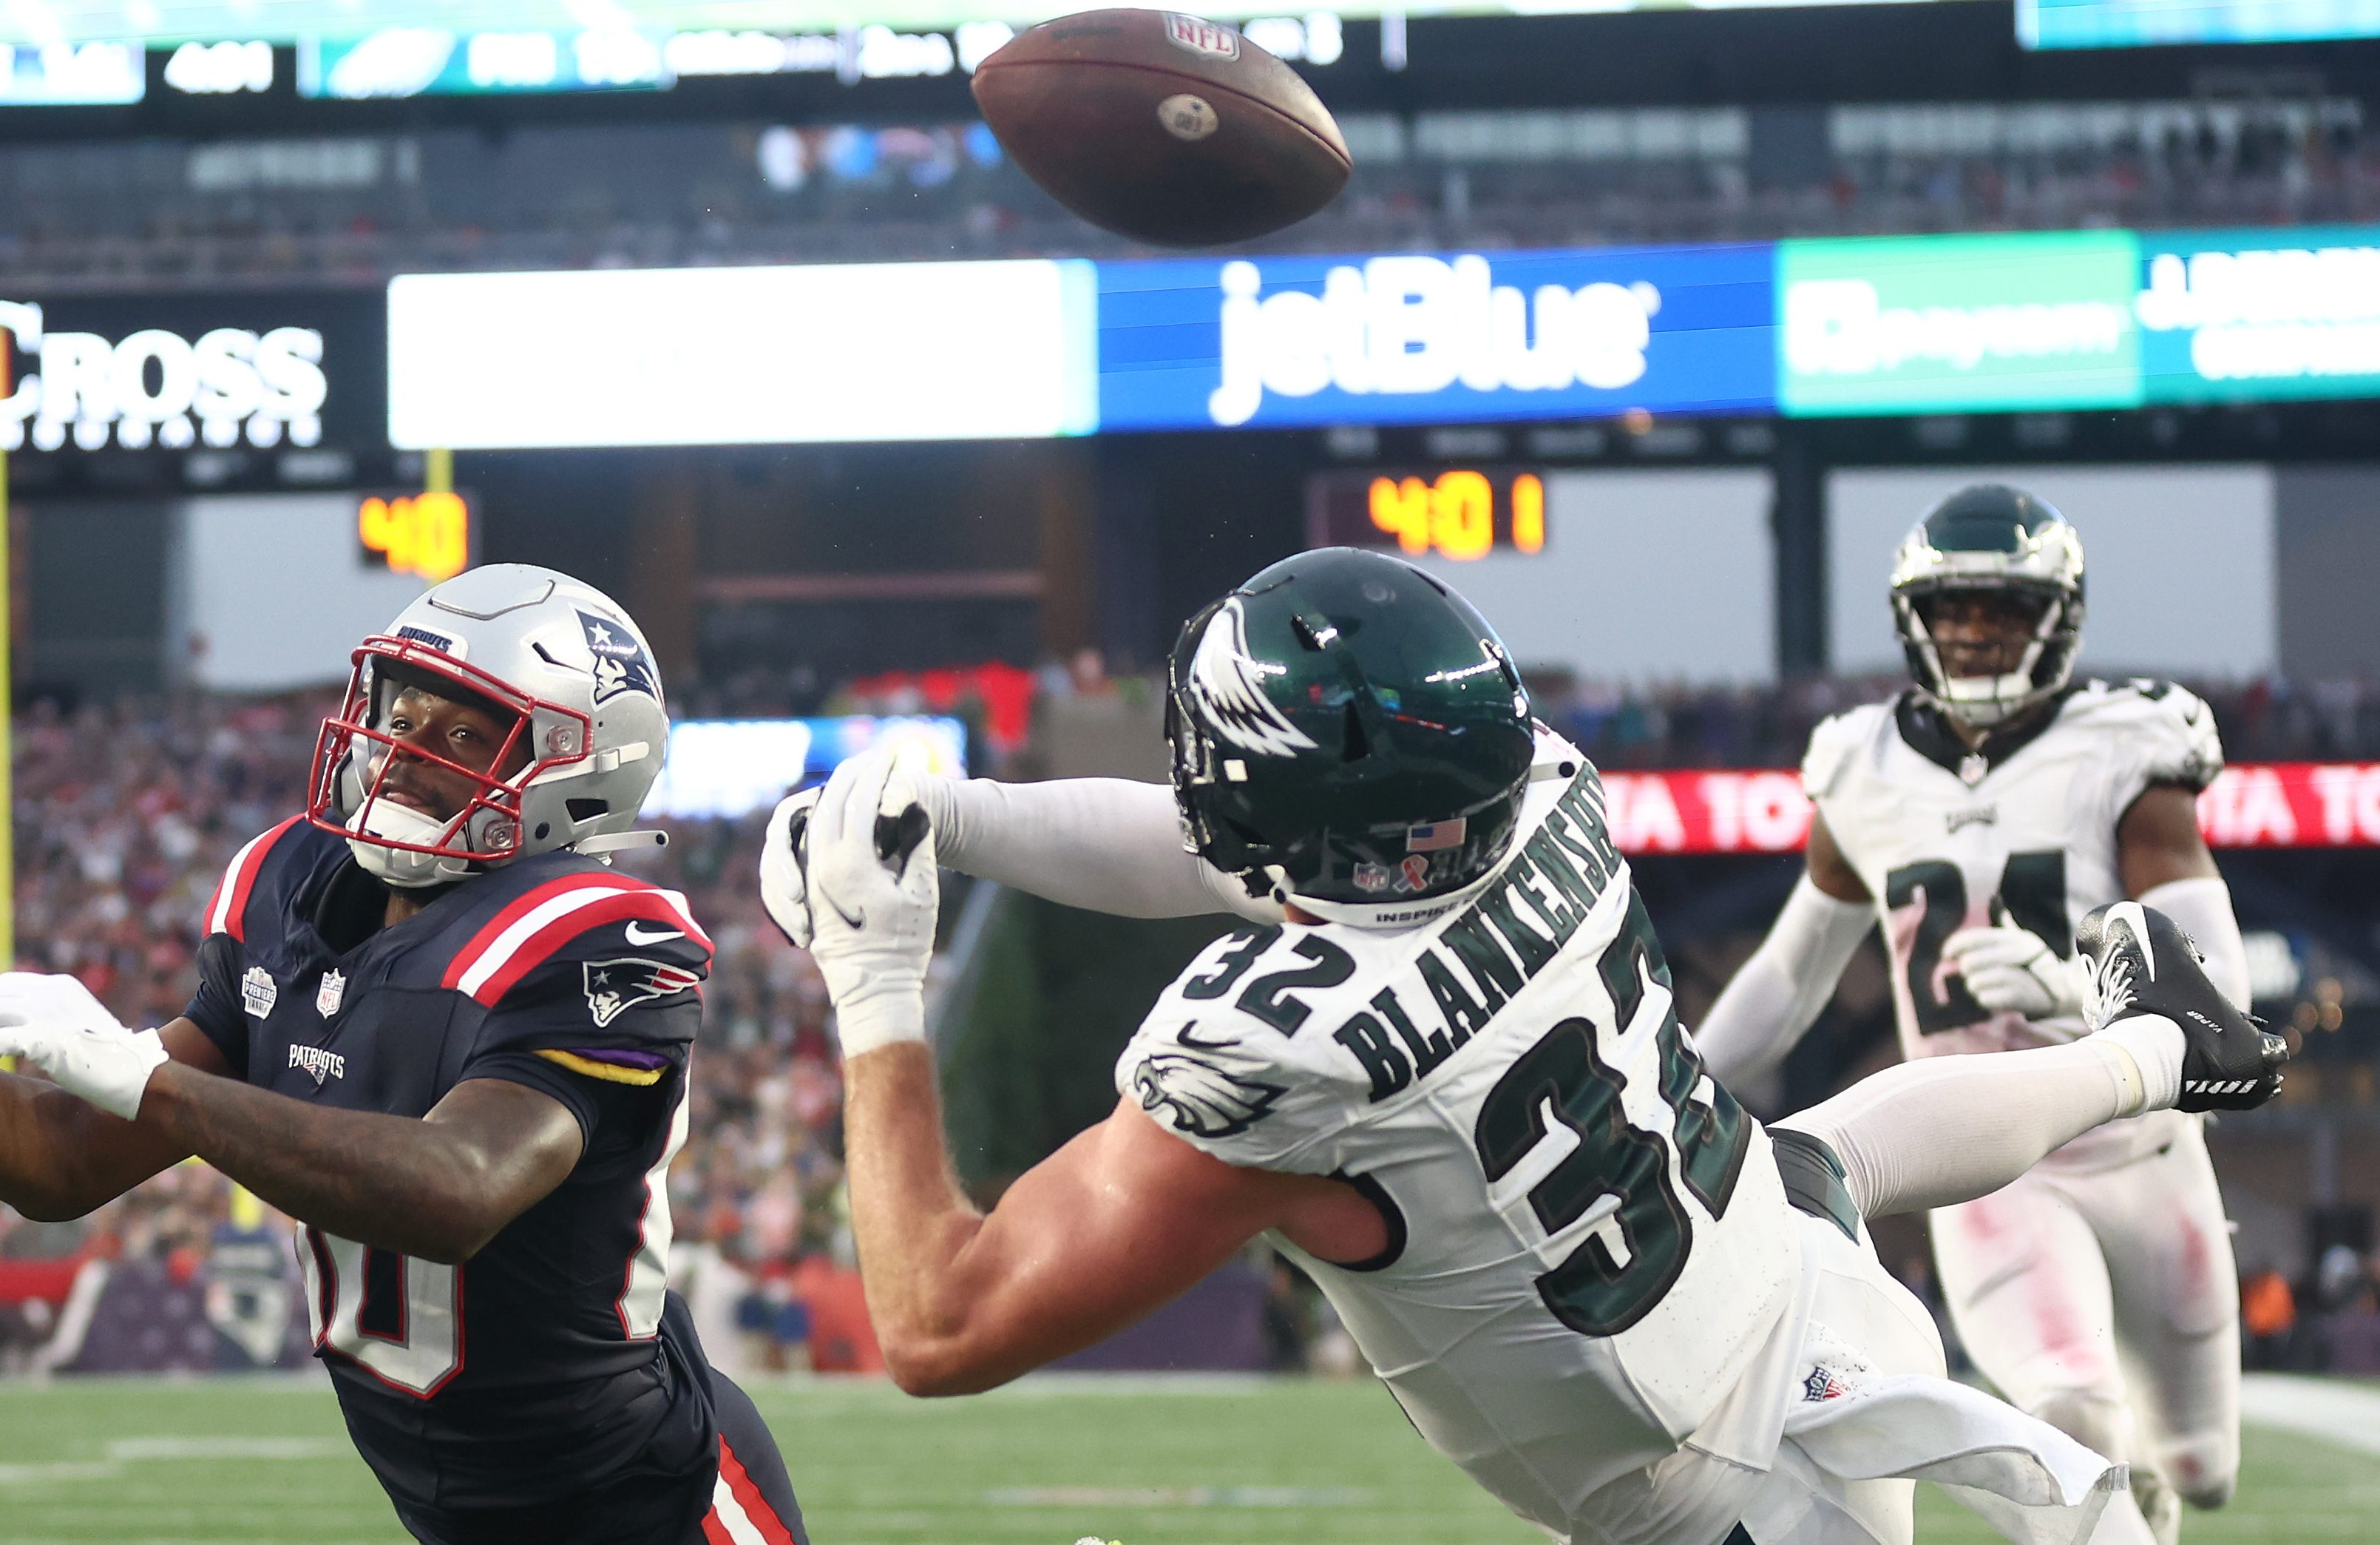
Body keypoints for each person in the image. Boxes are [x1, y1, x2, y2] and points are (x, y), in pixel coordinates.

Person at [763, 547, 2286, 1545]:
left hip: (1707, 1488)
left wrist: (875, 980)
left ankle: (2153, 1049)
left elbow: (940, 1328)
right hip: (1776, 1265)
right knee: (1828, 1154)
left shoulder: (1283, 1052)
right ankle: (2156, 1048)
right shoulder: (1541, 785)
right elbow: (1243, 845)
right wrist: (954, 821)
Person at [0, 565, 805, 1545]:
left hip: (652, 1504)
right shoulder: (295, 888)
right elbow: (64, 1165)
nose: (408, 751)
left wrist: (156, 1082)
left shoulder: (596, 936)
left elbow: (457, 1190)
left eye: (465, 733)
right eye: (403, 713)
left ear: (577, 770)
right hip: (455, 1509)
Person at [1687, 487, 2247, 1542]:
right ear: (1914, 622)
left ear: (2057, 620)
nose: (1974, 632)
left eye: (1999, 610)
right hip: (1993, 1160)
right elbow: (1791, 972)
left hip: (2148, 1150)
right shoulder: (1861, 766)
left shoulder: (2124, 749)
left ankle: (2156, 1494)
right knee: (2069, 1401)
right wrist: (1670, 1081)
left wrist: (2067, 986)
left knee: (2202, 1464)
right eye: (1953, 611)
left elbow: (2217, 988)